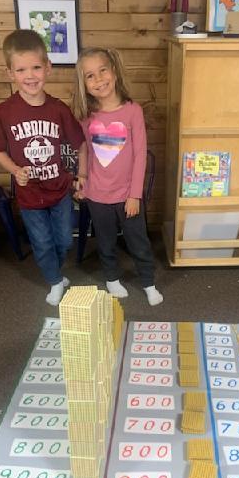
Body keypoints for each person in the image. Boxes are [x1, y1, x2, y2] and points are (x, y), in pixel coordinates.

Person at [0, 29, 85, 306]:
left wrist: (83, 175)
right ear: (10, 73)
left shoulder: (58, 109)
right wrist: (15, 170)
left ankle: (55, 269)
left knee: (64, 239)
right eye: (21, 69)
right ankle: (55, 280)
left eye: (36, 67)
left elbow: (80, 144)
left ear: (48, 68)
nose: (30, 75)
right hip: (29, 194)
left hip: (59, 189)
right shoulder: (4, 111)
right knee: (42, 242)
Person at [72, 47, 163, 306]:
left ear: (114, 71)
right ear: (84, 84)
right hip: (98, 195)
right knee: (105, 241)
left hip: (128, 196)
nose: (99, 79)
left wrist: (135, 195)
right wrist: (82, 181)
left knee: (139, 242)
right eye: (90, 76)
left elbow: (139, 156)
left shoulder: (133, 110)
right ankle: (111, 278)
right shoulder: (87, 116)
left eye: (103, 70)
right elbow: (86, 151)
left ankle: (148, 281)